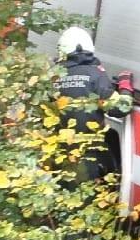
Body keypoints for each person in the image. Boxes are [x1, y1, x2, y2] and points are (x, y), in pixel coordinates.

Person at [54, 26, 131, 184]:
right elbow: (120, 108)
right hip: (90, 157)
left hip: (59, 155)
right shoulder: (94, 75)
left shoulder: (53, 76)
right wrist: (125, 87)